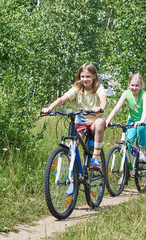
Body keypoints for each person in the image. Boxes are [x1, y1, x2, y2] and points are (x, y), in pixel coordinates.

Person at [41, 63, 107, 196]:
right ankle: (73, 180)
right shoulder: (78, 88)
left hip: (94, 120)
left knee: (100, 123)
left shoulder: (98, 88)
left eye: (88, 76)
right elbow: (62, 99)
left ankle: (95, 157)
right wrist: (50, 108)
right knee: (71, 147)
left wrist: (101, 108)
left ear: (94, 76)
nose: (85, 79)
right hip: (81, 121)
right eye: (82, 76)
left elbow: (103, 99)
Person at [106, 73, 146, 163]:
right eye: (132, 85)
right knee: (128, 145)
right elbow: (116, 108)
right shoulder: (126, 94)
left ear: (141, 86)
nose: (134, 87)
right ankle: (127, 173)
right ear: (129, 85)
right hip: (132, 121)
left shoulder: (144, 94)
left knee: (141, 127)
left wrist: (141, 121)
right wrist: (107, 121)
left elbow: (145, 109)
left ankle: (142, 152)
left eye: (137, 85)